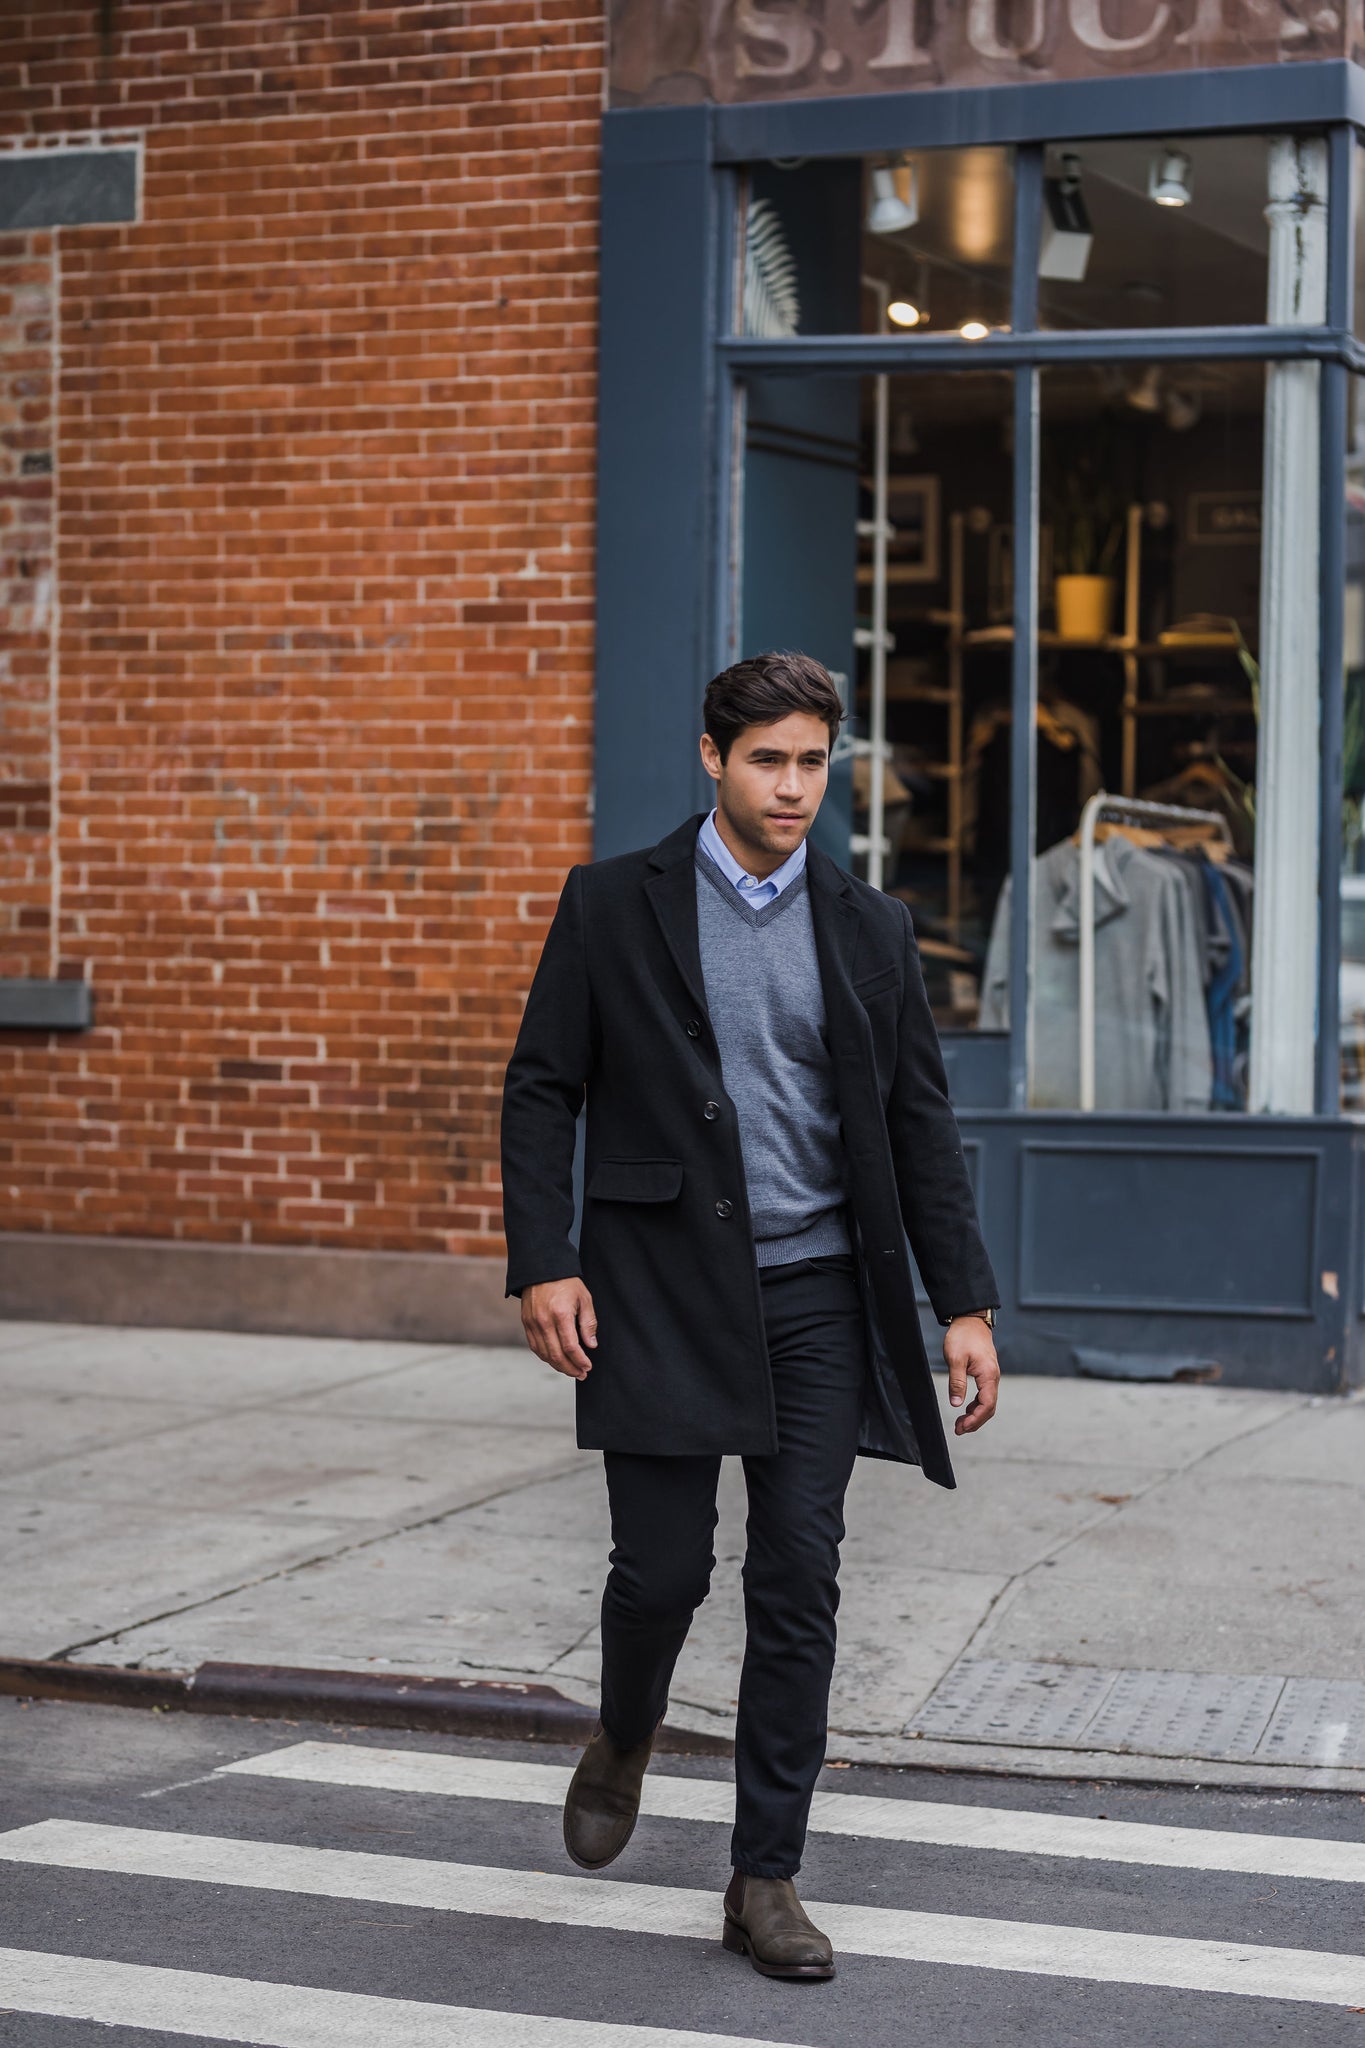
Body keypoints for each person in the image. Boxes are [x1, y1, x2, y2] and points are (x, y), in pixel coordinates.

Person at [500, 650, 1000, 1983]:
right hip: (657, 1288)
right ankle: (624, 1731)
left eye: (812, 763)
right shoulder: (613, 906)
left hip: (820, 1296)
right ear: (711, 760)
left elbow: (916, 1127)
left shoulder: (870, 925)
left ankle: (764, 1874)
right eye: (768, 760)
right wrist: (543, 1259)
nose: (793, 788)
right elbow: (543, 1085)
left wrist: (962, 1301)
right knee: (661, 1573)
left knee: (798, 1580)